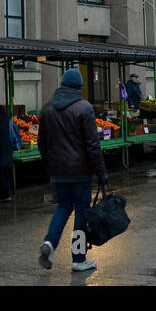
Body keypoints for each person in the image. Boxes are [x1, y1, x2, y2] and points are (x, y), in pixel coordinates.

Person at [36, 69, 110, 273]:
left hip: (58, 170)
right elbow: (92, 145)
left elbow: (42, 142)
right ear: (79, 86)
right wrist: (102, 173)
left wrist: (49, 165)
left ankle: (50, 243)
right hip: (80, 170)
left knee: (63, 207)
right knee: (81, 212)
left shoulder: (48, 108)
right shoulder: (84, 107)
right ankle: (78, 258)